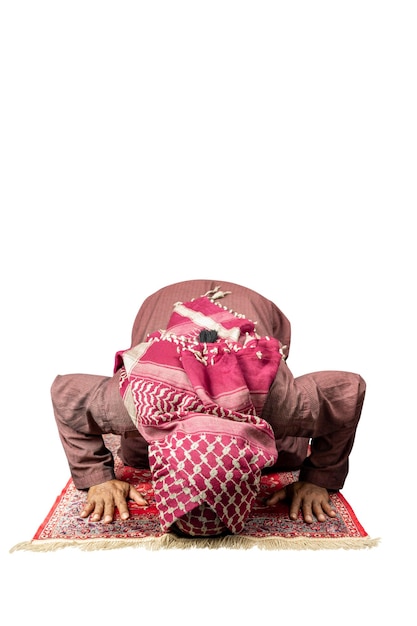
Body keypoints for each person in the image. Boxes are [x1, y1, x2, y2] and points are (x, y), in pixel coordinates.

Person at [51, 279, 365, 536]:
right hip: (162, 307)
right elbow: (65, 394)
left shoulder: (281, 402)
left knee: (288, 451)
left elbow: (349, 391)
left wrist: (318, 478)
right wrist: (97, 478)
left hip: (253, 307)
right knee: (135, 452)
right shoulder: (133, 405)